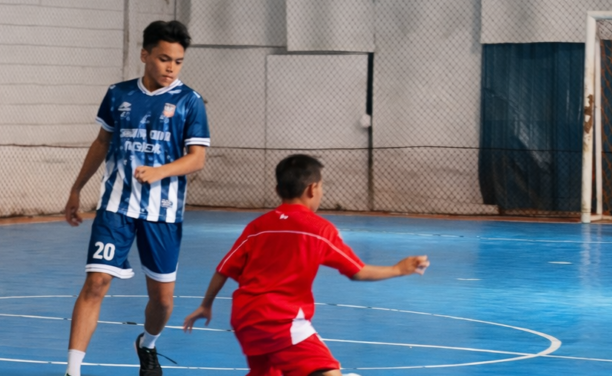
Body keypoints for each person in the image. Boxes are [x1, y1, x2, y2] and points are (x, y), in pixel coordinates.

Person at [183, 154, 430, 376]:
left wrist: (205, 305)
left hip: (245, 319)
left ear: (278, 189)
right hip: (281, 321)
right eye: (322, 186)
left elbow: (223, 269)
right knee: (328, 372)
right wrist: (398, 269)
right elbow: (357, 271)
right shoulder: (319, 229)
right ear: (312, 189)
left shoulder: (257, 227)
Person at [62, 20, 210, 376]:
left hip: (163, 214)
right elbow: (102, 142)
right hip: (116, 208)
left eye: (178, 61)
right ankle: (72, 370)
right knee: (96, 283)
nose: (171, 67)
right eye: (163, 59)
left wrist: (160, 171)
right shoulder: (118, 94)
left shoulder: (190, 102)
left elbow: (197, 158)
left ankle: (147, 344)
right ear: (145, 55)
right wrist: (77, 188)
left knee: (163, 301)